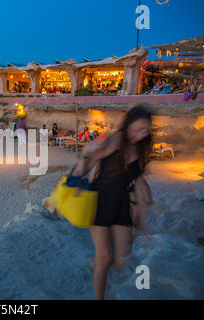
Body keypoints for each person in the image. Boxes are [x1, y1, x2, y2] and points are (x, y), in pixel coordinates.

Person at [74, 105, 153, 300]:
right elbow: (84, 169)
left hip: (121, 205)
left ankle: (95, 263)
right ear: (129, 125)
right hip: (99, 203)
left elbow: (138, 178)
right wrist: (86, 155)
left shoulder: (140, 148)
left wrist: (141, 211)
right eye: (140, 128)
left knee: (121, 260)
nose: (143, 134)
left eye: (147, 129)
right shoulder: (114, 141)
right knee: (105, 258)